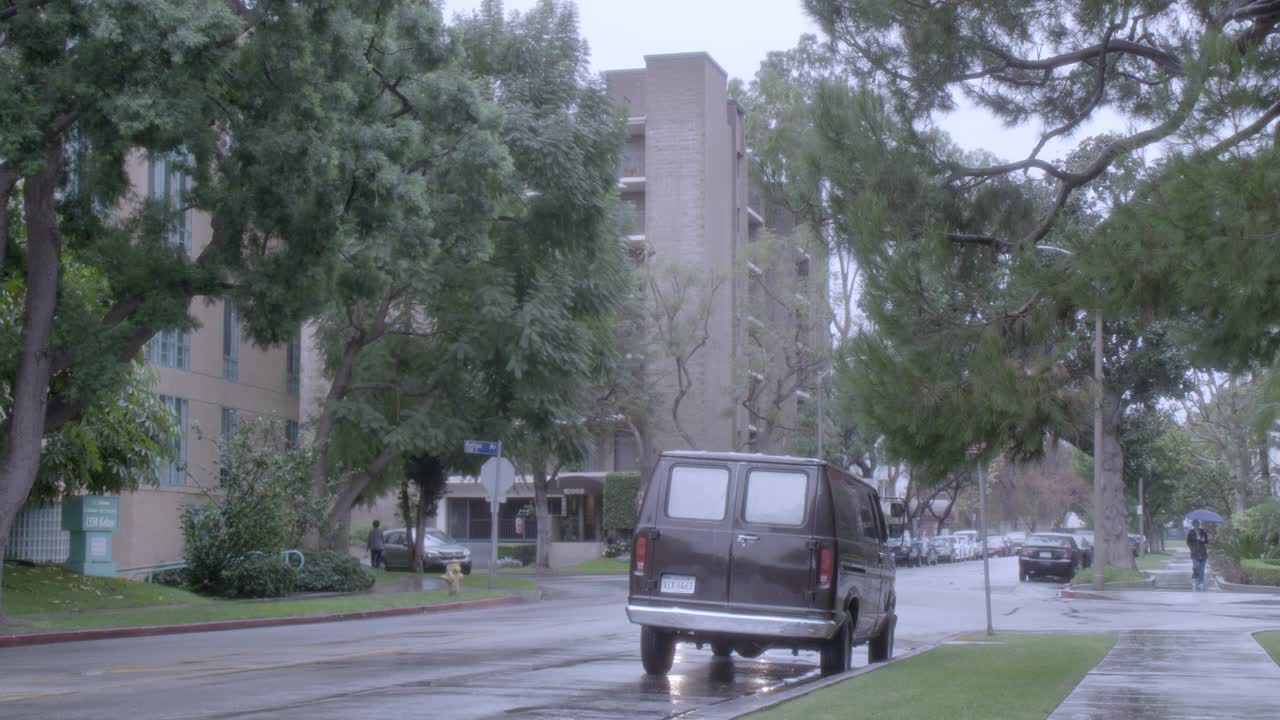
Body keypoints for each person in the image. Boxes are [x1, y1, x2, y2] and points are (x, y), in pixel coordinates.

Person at [1186, 519, 1209, 590]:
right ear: (1193, 525)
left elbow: (1206, 541)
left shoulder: (1203, 531)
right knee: (1195, 567)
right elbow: (1188, 542)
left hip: (1203, 553)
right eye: (1195, 524)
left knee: (1202, 569)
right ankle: (1195, 578)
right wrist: (1192, 548)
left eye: (1198, 524)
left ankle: (1201, 582)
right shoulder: (1191, 532)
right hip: (1194, 553)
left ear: (1199, 524)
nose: (1197, 525)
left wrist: (1204, 540)